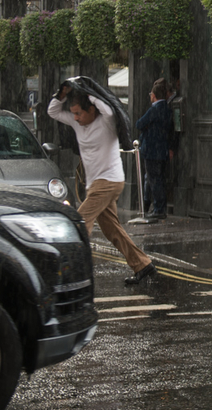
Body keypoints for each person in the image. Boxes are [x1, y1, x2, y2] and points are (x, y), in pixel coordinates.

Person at [49, 82, 156, 285]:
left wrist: (88, 91)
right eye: (73, 114)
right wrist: (61, 94)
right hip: (95, 184)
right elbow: (52, 111)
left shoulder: (106, 121)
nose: (76, 118)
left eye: (79, 113)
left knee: (80, 221)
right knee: (111, 230)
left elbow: (107, 108)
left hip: (109, 181)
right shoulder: (77, 123)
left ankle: (71, 272)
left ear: (91, 109)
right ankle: (142, 265)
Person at [136, 79, 173, 223]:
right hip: (162, 149)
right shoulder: (167, 109)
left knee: (154, 180)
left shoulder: (154, 109)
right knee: (160, 179)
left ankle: (158, 209)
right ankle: (159, 207)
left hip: (152, 150)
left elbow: (139, 123)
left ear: (154, 95)